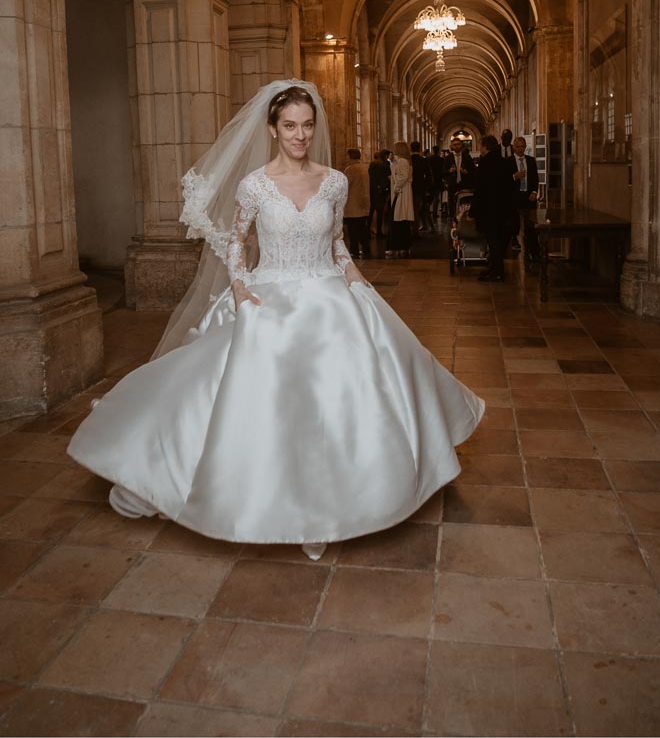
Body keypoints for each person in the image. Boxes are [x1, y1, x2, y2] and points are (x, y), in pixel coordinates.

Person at [67, 81, 483, 560]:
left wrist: (354, 278)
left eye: (307, 125)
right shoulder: (255, 185)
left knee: (350, 392)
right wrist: (241, 289)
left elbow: (337, 245)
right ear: (272, 128)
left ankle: (334, 502)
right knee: (263, 394)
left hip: (330, 293)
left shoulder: (334, 181)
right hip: (270, 295)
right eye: (290, 126)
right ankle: (271, 499)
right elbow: (235, 242)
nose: (300, 135)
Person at [472, 135, 515, 282]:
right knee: (499, 240)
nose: (480, 149)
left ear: (485, 147)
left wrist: (473, 210)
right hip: (502, 208)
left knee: (493, 241)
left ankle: (497, 272)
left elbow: (480, 189)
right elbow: (510, 185)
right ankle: (494, 268)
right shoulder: (504, 162)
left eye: (481, 146)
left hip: (488, 209)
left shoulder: (484, 164)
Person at [510, 133, 541, 266]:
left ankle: (534, 253)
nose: (520, 149)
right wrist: (514, 177)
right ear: (513, 148)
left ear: (525, 147)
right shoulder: (508, 162)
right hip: (514, 198)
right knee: (513, 224)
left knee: (531, 227)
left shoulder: (531, 160)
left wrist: (534, 191)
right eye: (517, 146)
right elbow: (504, 181)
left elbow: (535, 178)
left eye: (522, 146)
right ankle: (513, 244)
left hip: (529, 197)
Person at [340, 147, 371, 259]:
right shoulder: (364, 167)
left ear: (351, 156)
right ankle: (366, 248)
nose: (345, 157)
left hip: (353, 203)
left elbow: (345, 186)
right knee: (362, 228)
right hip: (363, 202)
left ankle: (354, 250)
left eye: (346, 155)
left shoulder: (351, 169)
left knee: (353, 229)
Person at [440, 137, 475, 219]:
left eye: (458, 144)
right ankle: (453, 220)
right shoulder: (448, 158)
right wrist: (449, 171)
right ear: (452, 146)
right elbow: (443, 172)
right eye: (454, 145)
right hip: (452, 185)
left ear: (461, 145)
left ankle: (462, 220)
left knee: (463, 204)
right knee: (452, 203)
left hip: (464, 185)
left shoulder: (467, 156)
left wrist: (467, 172)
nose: (456, 146)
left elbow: (473, 170)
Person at [389, 141, 414, 257]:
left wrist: (396, 187)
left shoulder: (403, 161)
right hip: (401, 192)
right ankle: (402, 246)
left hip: (400, 193)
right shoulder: (401, 161)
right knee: (399, 220)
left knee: (398, 220)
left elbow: (403, 176)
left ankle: (399, 246)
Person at [369, 149, 391, 254]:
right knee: (380, 212)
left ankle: (367, 230)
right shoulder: (384, 165)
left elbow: (371, 177)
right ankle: (379, 231)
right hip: (381, 191)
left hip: (372, 190)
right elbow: (388, 177)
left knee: (371, 210)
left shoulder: (372, 165)